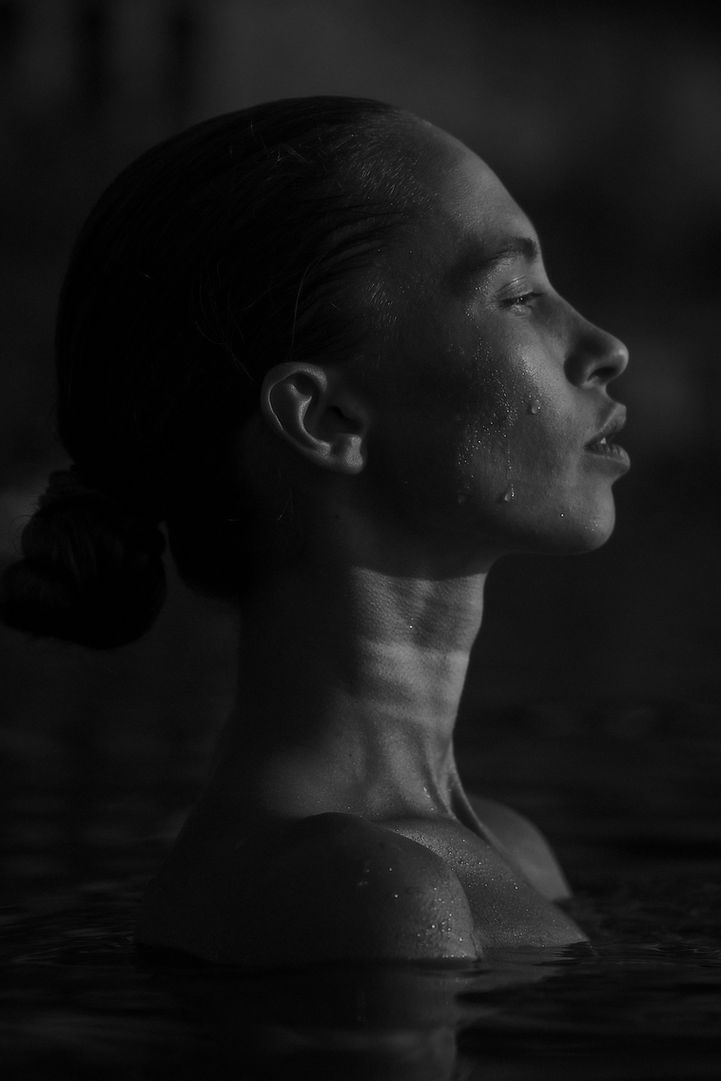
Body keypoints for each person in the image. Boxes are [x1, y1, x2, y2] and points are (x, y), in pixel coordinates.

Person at [1, 96, 629, 966]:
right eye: (517, 294)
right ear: (328, 416)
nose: (603, 345)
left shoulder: (505, 851)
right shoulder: (362, 890)